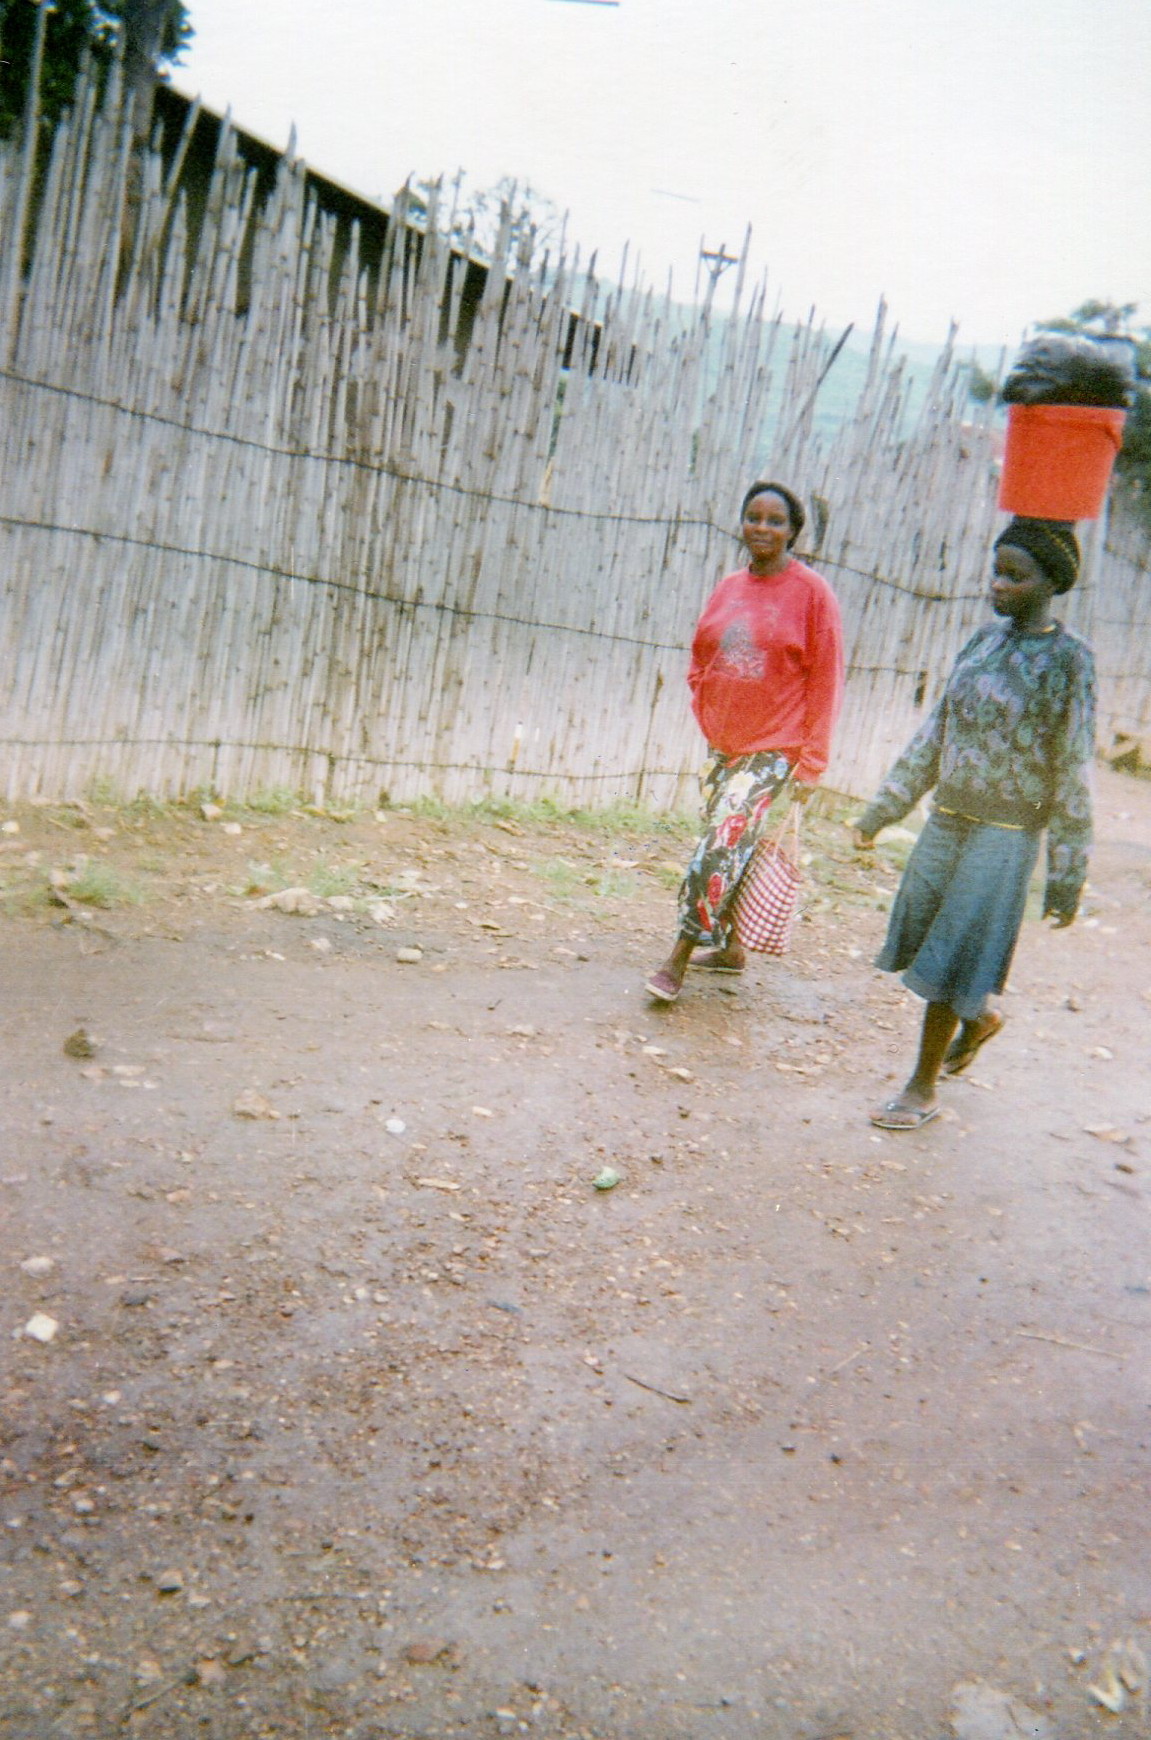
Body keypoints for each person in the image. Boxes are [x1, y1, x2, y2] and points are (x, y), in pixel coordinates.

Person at [853, 516, 1096, 1130]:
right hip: (948, 819)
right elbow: (936, 731)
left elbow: (1074, 766)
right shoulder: (980, 643)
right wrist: (882, 811)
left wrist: (1067, 874)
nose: (998, 584)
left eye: (1016, 575)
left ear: (1052, 582)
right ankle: (978, 1018)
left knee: (956, 950)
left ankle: (922, 1086)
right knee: (924, 934)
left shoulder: (1071, 662)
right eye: (997, 570)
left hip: (1006, 835)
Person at [645, 481, 844, 1002]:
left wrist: (811, 763)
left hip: (774, 747)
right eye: (753, 517)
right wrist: (704, 701)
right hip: (725, 743)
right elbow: (702, 650)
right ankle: (731, 947)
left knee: (717, 848)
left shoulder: (813, 594)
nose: (762, 527)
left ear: (793, 532)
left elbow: (826, 679)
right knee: (735, 844)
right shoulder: (729, 585)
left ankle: (677, 960)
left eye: (775, 521)